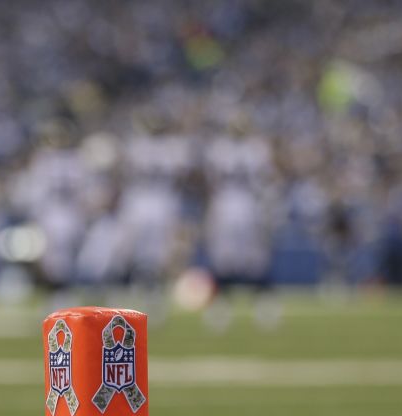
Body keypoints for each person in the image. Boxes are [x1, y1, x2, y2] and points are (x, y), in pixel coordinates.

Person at [201, 114, 280, 331]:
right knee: (226, 260)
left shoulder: (252, 149)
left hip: (240, 206)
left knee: (253, 260)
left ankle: (263, 305)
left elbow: (265, 181)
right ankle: (222, 306)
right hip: (235, 206)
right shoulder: (228, 149)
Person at [118, 110, 194, 320]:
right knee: (151, 256)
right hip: (162, 203)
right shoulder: (173, 147)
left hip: (141, 203)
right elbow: (183, 177)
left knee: (145, 255)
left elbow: (123, 173)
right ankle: (152, 299)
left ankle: (144, 296)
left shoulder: (137, 146)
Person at [16, 119, 89, 312]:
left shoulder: (44, 162)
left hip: (51, 215)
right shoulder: (76, 161)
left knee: (54, 263)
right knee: (63, 262)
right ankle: (62, 299)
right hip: (70, 216)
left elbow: (35, 195)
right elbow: (84, 194)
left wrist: (33, 217)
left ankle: (59, 301)